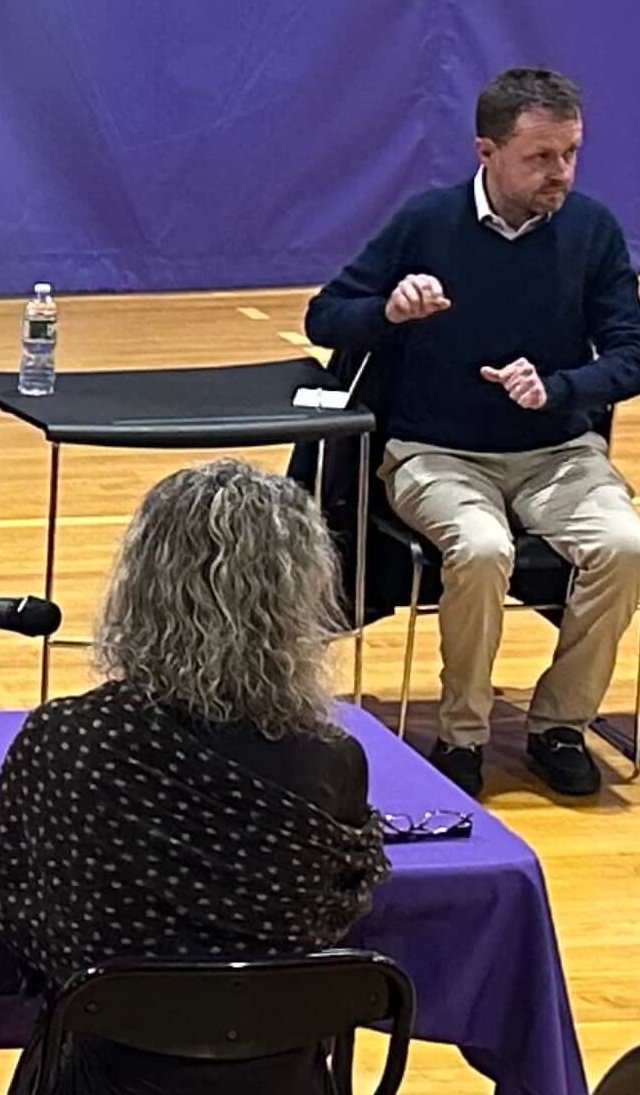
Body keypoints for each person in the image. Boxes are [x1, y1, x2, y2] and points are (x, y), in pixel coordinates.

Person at [0, 460, 390, 1095]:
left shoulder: (70, 738)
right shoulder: (333, 763)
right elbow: (334, 913)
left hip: (102, 1078)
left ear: (141, 587)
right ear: (297, 599)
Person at [303, 65, 639, 799]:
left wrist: (560, 389)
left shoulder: (592, 231)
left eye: (571, 153)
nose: (562, 173)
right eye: (541, 157)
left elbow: (629, 352)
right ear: (486, 152)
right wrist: (388, 309)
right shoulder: (425, 223)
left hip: (557, 450)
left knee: (625, 545)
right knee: (483, 548)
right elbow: (325, 316)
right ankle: (464, 734)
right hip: (436, 451)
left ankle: (559, 724)